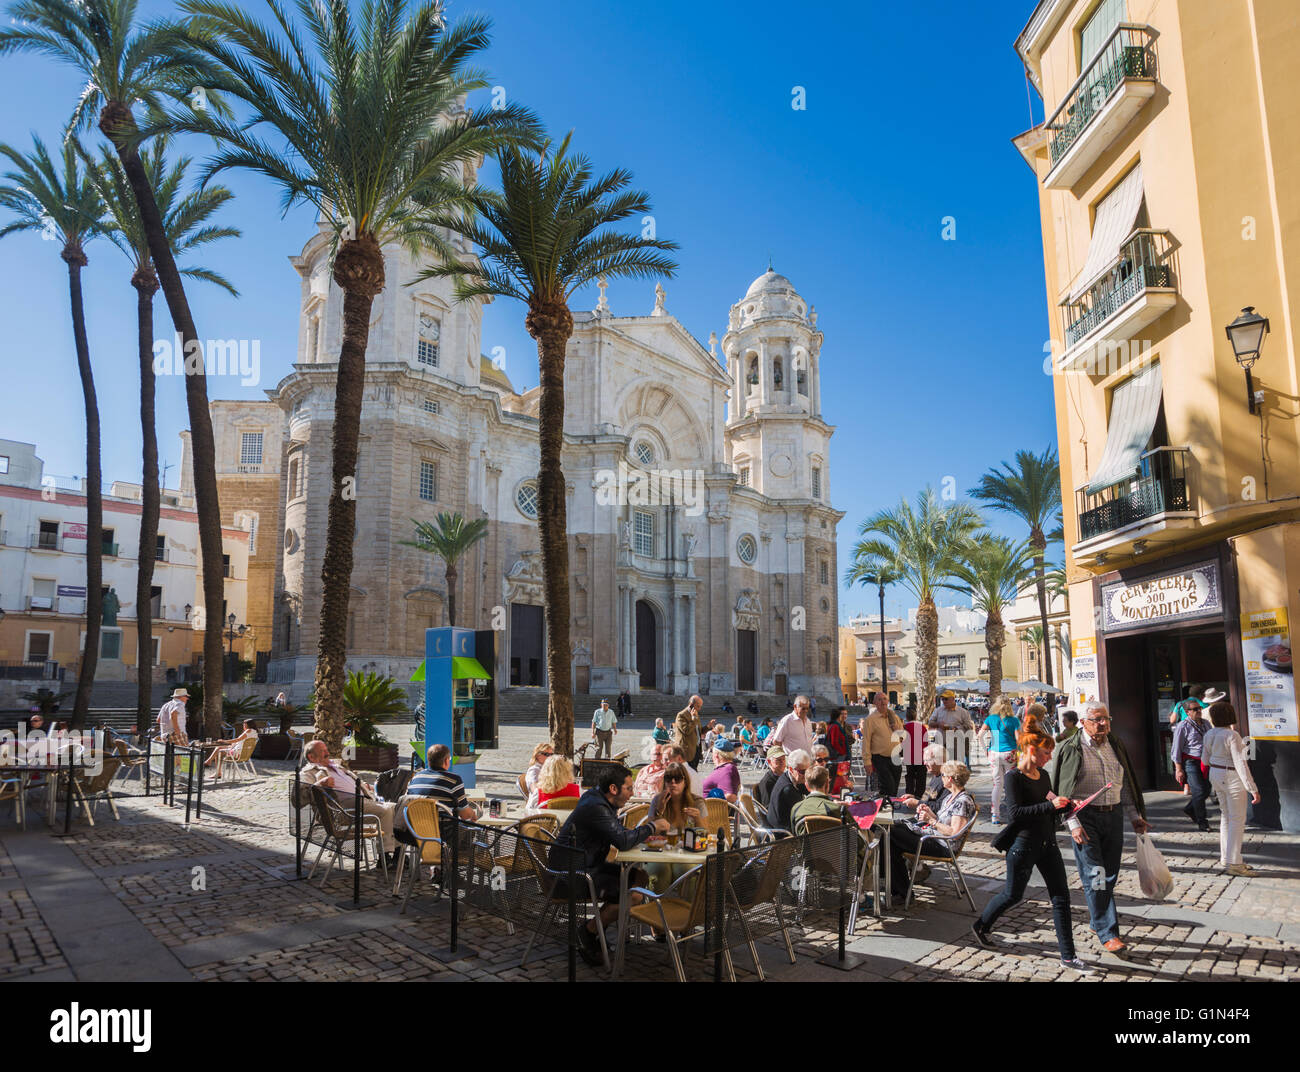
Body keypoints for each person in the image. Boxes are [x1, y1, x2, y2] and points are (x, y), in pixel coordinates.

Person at [970, 731, 1094, 973]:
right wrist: (1051, 805)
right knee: (1012, 895)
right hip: (1023, 846)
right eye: (1046, 752)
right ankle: (982, 925)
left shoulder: (1045, 775)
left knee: (1061, 898)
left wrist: (1067, 805)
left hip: (1049, 844)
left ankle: (1068, 956)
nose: (1049, 757)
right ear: (1031, 749)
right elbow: (1015, 813)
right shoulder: (1014, 777)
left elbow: (1049, 805)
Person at [1054, 701, 1150, 956]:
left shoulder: (1115, 745)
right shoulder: (1071, 748)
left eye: (1106, 718)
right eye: (1097, 719)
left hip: (1113, 815)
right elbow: (1063, 792)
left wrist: (1134, 815)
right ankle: (1109, 933)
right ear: (1083, 721)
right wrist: (1072, 824)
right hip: (1085, 818)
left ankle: (1097, 920)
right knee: (1095, 873)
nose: (1103, 724)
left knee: (1110, 874)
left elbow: (1125, 783)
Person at [550, 764, 669, 965]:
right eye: (629, 788)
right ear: (613, 789)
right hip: (572, 875)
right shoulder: (596, 807)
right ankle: (588, 932)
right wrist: (653, 826)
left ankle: (597, 928)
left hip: (585, 865)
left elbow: (619, 834)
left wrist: (651, 819)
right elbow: (622, 842)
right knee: (635, 894)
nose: (633, 793)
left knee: (639, 878)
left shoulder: (598, 799)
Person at [887, 761, 976, 902]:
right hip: (932, 837)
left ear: (950, 779)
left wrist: (931, 821)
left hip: (943, 845)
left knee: (890, 832)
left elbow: (954, 832)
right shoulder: (950, 797)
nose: (941, 778)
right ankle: (900, 892)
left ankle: (900, 891)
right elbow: (942, 820)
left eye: (943, 775)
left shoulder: (962, 801)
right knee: (891, 837)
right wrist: (930, 813)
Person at [302, 740, 399, 860]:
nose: (327, 753)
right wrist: (319, 784)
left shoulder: (336, 766)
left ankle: (397, 854)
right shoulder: (309, 772)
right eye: (323, 751)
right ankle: (385, 856)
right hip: (343, 809)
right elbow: (299, 797)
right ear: (311, 757)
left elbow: (354, 783)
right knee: (386, 811)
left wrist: (367, 787)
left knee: (397, 807)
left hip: (363, 801)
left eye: (326, 749)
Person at [1202, 695, 1261, 876]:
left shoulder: (1209, 733)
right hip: (1231, 776)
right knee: (1236, 819)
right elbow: (1241, 763)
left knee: (1226, 817)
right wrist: (1253, 789)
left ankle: (1226, 858)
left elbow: (1205, 759)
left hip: (1215, 774)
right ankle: (1234, 862)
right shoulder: (1232, 735)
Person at [407, 743, 478, 825]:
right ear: (446, 761)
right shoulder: (453, 780)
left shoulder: (416, 777)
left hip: (416, 831)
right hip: (443, 832)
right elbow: (465, 815)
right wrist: (473, 814)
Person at [978, 695, 1021, 824]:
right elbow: (1018, 739)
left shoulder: (991, 719)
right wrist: (1019, 751)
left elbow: (979, 735)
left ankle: (995, 815)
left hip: (994, 753)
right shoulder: (1014, 720)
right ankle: (1013, 813)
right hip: (1010, 753)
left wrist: (986, 750)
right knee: (1011, 784)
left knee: (997, 784)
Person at [1170, 694, 1210, 831]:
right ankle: (1202, 822)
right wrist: (1178, 769)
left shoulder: (1206, 723)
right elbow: (1176, 749)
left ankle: (1190, 809)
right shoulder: (1183, 726)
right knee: (1198, 791)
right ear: (1187, 712)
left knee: (1206, 790)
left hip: (1206, 761)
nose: (1199, 711)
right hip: (1191, 762)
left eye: (1199, 708)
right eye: (1195, 709)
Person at [861, 692, 904, 798]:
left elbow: (903, 736)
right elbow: (866, 741)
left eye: (884, 699)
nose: (883, 701)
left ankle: (890, 806)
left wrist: (897, 730)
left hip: (895, 757)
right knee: (888, 787)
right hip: (880, 758)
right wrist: (867, 762)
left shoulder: (894, 716)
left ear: (888, 701)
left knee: (895, 787)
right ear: (875, 702)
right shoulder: (870, 720)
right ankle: (885, 807)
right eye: (879, 699)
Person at [765, 748, 811, 832]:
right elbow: (803, 811)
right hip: (783, 833)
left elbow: (809, 791)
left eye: (808, 770)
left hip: (787, 824)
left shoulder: (791, 777)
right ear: (791, 769)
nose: (806, 775)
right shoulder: (787, 789)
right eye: (802, 772)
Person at [929, 690, 974, 766]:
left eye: (946, 699)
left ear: (953, 699)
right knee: (942, 766)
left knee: (956, 766)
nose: (944, 701)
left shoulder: (962, 712)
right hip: (942, 743)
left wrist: (957, 728)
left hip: (957, 744)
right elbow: (930, 723)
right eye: (942, 699)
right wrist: (938, 724)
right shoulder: (938, 710)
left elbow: (969, 726)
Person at [900, 708, 928, 798]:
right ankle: (919, 793)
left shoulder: (904, 727)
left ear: (907, 717)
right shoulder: (922, 727)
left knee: (910, 775)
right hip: (920, 755)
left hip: (909, 755)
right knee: (921, 776)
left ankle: (910, 792)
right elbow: (926, 742)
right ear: (916, 716)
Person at [673, 695, 703, 769]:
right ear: (691, 705)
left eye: (700, 706)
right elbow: (686, 731)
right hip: (686, 751)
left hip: (696, 749)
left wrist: (708, 727)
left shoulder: (695, 714)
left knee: (694, 772)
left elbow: (698, 731)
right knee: (686, 773)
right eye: (698, 706)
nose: (699, 709)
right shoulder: (681, 715)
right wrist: (694, 719)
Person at [754, 746, 786, 810]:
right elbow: (767, 807)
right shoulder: (767, 782)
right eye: (778, 760)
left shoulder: (784, 776)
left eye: (784, 759)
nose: (782, 762)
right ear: (769, 761)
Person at [523, 741, 554, 808]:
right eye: (546, 754)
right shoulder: (534, 770)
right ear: (538, 755)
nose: (550, 757)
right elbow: (535, 790)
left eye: (552, 755)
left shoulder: (551, 768)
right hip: (537, 806)